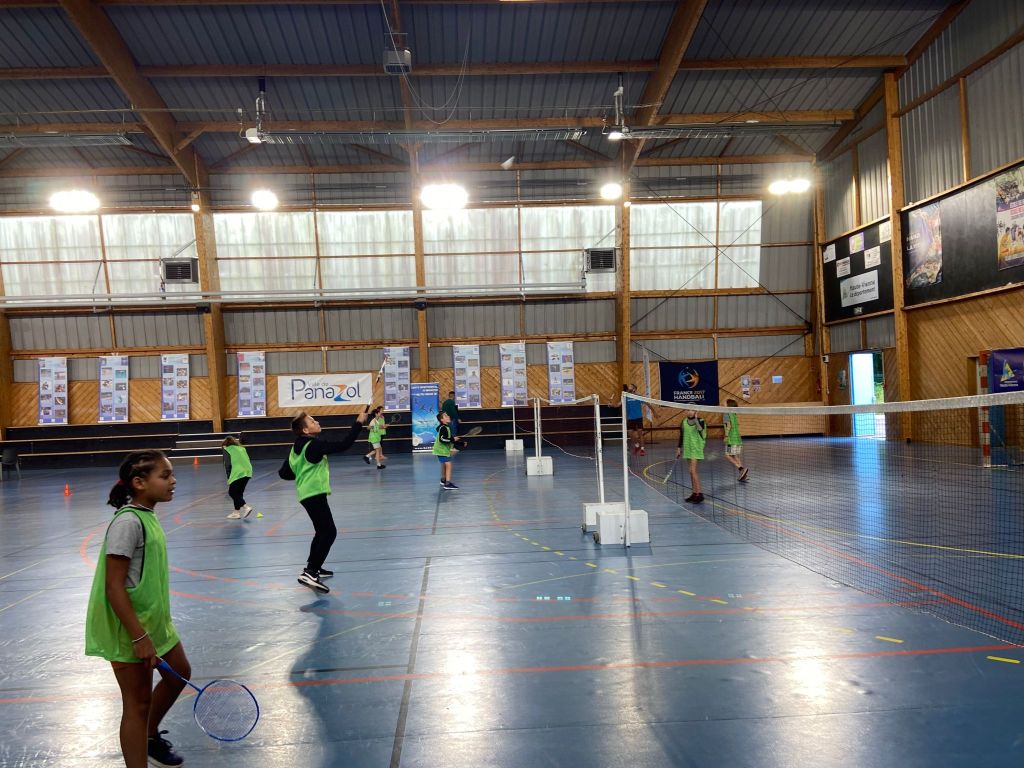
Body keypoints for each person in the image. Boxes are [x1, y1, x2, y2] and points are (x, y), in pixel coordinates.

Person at [85, 450, 191, 768]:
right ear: (139, 483)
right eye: (165, 475)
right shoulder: (128, 523)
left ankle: (149, 736)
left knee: (179, 674)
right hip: (130, 628)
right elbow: (113, 586)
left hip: (155, 622)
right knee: (137, 704)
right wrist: (139, 636)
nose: (173, 481)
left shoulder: (147, 515)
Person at [279, 410, 368, 593]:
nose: (317, 422)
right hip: (314, 493)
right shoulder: (313, 445)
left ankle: (315, 567)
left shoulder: (297, 447)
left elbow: (284, 473)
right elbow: (344, 444)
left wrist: (302, 474)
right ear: (305, 430)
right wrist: (359, 422)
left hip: (307, 494)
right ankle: (310, 572)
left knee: (321, 531)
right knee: (329, 532)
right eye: (312, 421)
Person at [675, 409, 707, 503]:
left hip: (696, 448)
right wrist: (679, 448)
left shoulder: (701, 420)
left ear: (696, 411)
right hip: (687, 448)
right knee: (690, 471)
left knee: (693, 471)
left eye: (692, 410)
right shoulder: (684, 421)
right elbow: (681, 435)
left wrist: (696, 419)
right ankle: (694, 493)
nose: (690, 412)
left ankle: (699, 494)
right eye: (688, 410)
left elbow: (700, 429)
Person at [222, 435, 255, 519]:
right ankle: (236, 512)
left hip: (237, 472)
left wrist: (229, 477)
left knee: (232, 492)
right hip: (248, 471)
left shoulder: (227, 449)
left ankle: (246, 507)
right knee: (239, 493)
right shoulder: (242, 448)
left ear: (225, 444)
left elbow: (227, 464)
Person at [723, 398, 749, 482]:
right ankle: (743, 475)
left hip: (731, 439)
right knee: (734, 456)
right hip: (737, 438)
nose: (723, 404)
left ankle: (741, 468)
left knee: (727, 455)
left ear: (728, 405)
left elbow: (728, 426)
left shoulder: (726, 414)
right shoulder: (734, 414)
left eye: (725, 403)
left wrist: (726, 436)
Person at [434, 411, 458, 490]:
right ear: (442, 420)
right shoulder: (444, 428)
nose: (448, 416)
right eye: (445, 416)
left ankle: (443, 479)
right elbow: (442, 439)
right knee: (448, 464)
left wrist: (458, 442)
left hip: (441, 449)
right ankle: (447, 483)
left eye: (448, 415)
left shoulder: (445, 427)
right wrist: (452, 439)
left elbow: (449, 438)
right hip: (442, 449)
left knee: (444, 463)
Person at [624, 384, 645, 456]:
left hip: (638, 418)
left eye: (630, 387)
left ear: (634, 389)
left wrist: (654, 412)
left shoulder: (638, 396)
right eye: (628, 387)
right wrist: (612, 405)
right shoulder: (626, 397)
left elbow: (647, 403)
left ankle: (642, 449)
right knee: (630, 434)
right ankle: (637, 445)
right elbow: (618, 404)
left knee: (640, 434)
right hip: (630, 418)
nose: (628, 388)